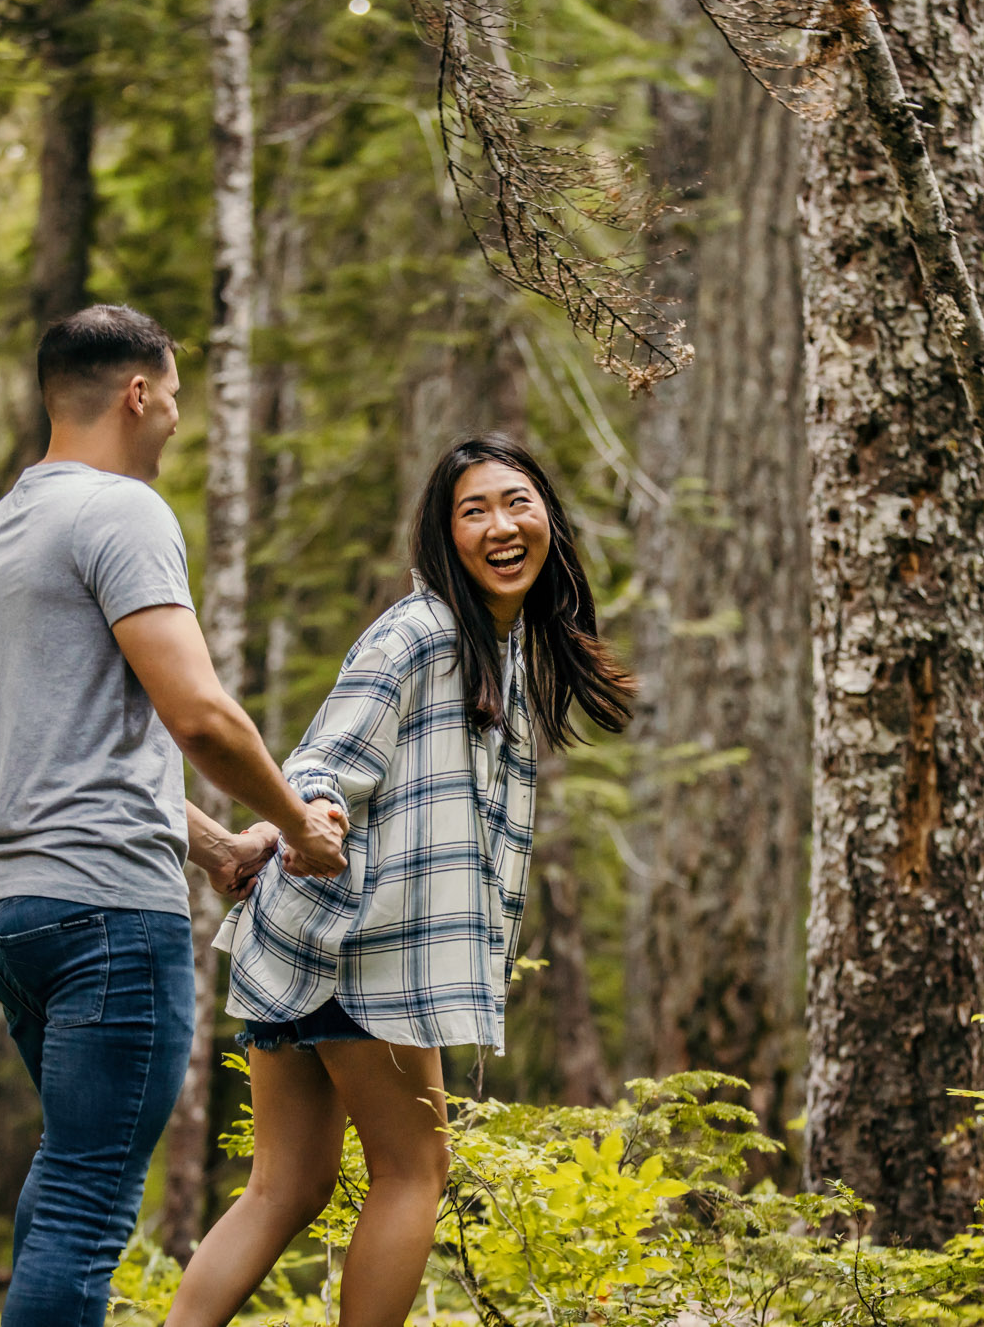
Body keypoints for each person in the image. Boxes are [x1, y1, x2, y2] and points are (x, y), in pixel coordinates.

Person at [163, 434, 636, 1327]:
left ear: (550, 522)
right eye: (474, 510)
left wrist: (292, 827)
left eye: (517, 502)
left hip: (304, 936)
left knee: (287, 1186)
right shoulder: (422, 634)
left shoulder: (507, 651)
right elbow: (325, 760)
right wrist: (312, 813)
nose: (501, 525)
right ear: (440, 536)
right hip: (365, 944)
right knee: (414, 1172)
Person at [0, 304, 347, 1327]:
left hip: (9, 909)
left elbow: (73, 748)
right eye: (175, 396)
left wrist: (219, 844)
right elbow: (202, 718)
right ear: (138, 391)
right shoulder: (122, 511)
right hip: (103, 918)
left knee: (67, 1177)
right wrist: (299, 827)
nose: (177, 418)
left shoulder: (8, 526)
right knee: (88, 1207)